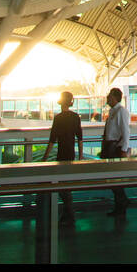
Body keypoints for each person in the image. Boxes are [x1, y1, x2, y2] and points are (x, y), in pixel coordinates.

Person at [43, 92, 83, 224]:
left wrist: (45, 157)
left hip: (61, 155)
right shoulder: (75, 117)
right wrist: (81, 156)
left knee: (61, 185)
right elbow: (80, 137)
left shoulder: (58, 118)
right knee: (66, 185)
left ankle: (69, 213)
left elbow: (52, 139)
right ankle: (68, 213)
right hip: (71, 155)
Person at [100, 87, 130, 215]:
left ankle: (122, 203)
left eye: (110, 96)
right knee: (112, 178)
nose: (108, 98)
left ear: (116, 98)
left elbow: (126, 131)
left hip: (115, 148)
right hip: (109, 146)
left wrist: (123, 149)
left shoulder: (121, 111)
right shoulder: (113, 111)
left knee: (115, 178)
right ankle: (121, 203)